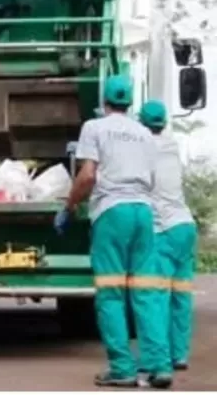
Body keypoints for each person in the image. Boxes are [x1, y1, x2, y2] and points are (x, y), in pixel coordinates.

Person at [54, 75, 172, 389]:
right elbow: (153, 178)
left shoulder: (95, 128)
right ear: (130, 102)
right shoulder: (145, 134)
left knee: (111, 294)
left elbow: (87, 175)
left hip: (112, 214)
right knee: (145, 292)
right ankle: (159, 366)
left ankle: (122, 369)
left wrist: (69, 207)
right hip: (142, 214)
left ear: (104, 101)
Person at [139, 99, 197, 372]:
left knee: (157, 295)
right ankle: (180, 354)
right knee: (181, 293)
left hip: (162, 229)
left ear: (142, 122)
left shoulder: (140, 148)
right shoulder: (174, 145)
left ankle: (156, 358)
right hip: (185, 225)